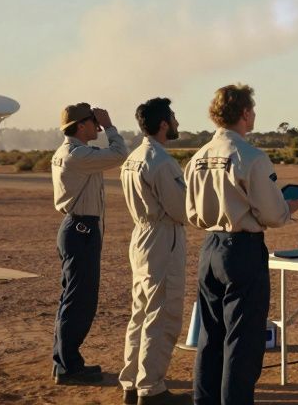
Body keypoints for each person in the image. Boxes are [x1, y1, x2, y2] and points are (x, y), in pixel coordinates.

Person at [185, 84, 298, 405]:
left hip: (210, 247)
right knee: (242, 340)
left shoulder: (199, 156)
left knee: (210, 336)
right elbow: (272, 213)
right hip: (243, 249)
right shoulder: (250, 156)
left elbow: (192, 212)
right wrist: (287, 209)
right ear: (246, 113)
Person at [51, 102, 129, 385]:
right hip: (81, 230)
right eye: (92, 123)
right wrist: (110, 126)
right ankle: (69, 366)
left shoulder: (71, 152)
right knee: (79, 300)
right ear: (80, 126)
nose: (96, 128)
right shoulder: (77, 155)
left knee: (72, 298)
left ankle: (65, 361)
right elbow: (120, 153)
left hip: (76, 228)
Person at [119, 97, 190, 405]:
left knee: (141, 314)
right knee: (162, 315)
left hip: (142, 236)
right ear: (163, 123)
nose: (176, 122)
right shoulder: (160, 161)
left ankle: (132, 383)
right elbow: (181, 208)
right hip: (162, 237)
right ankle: (152, 389)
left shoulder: (134, 157)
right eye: (172, 117)